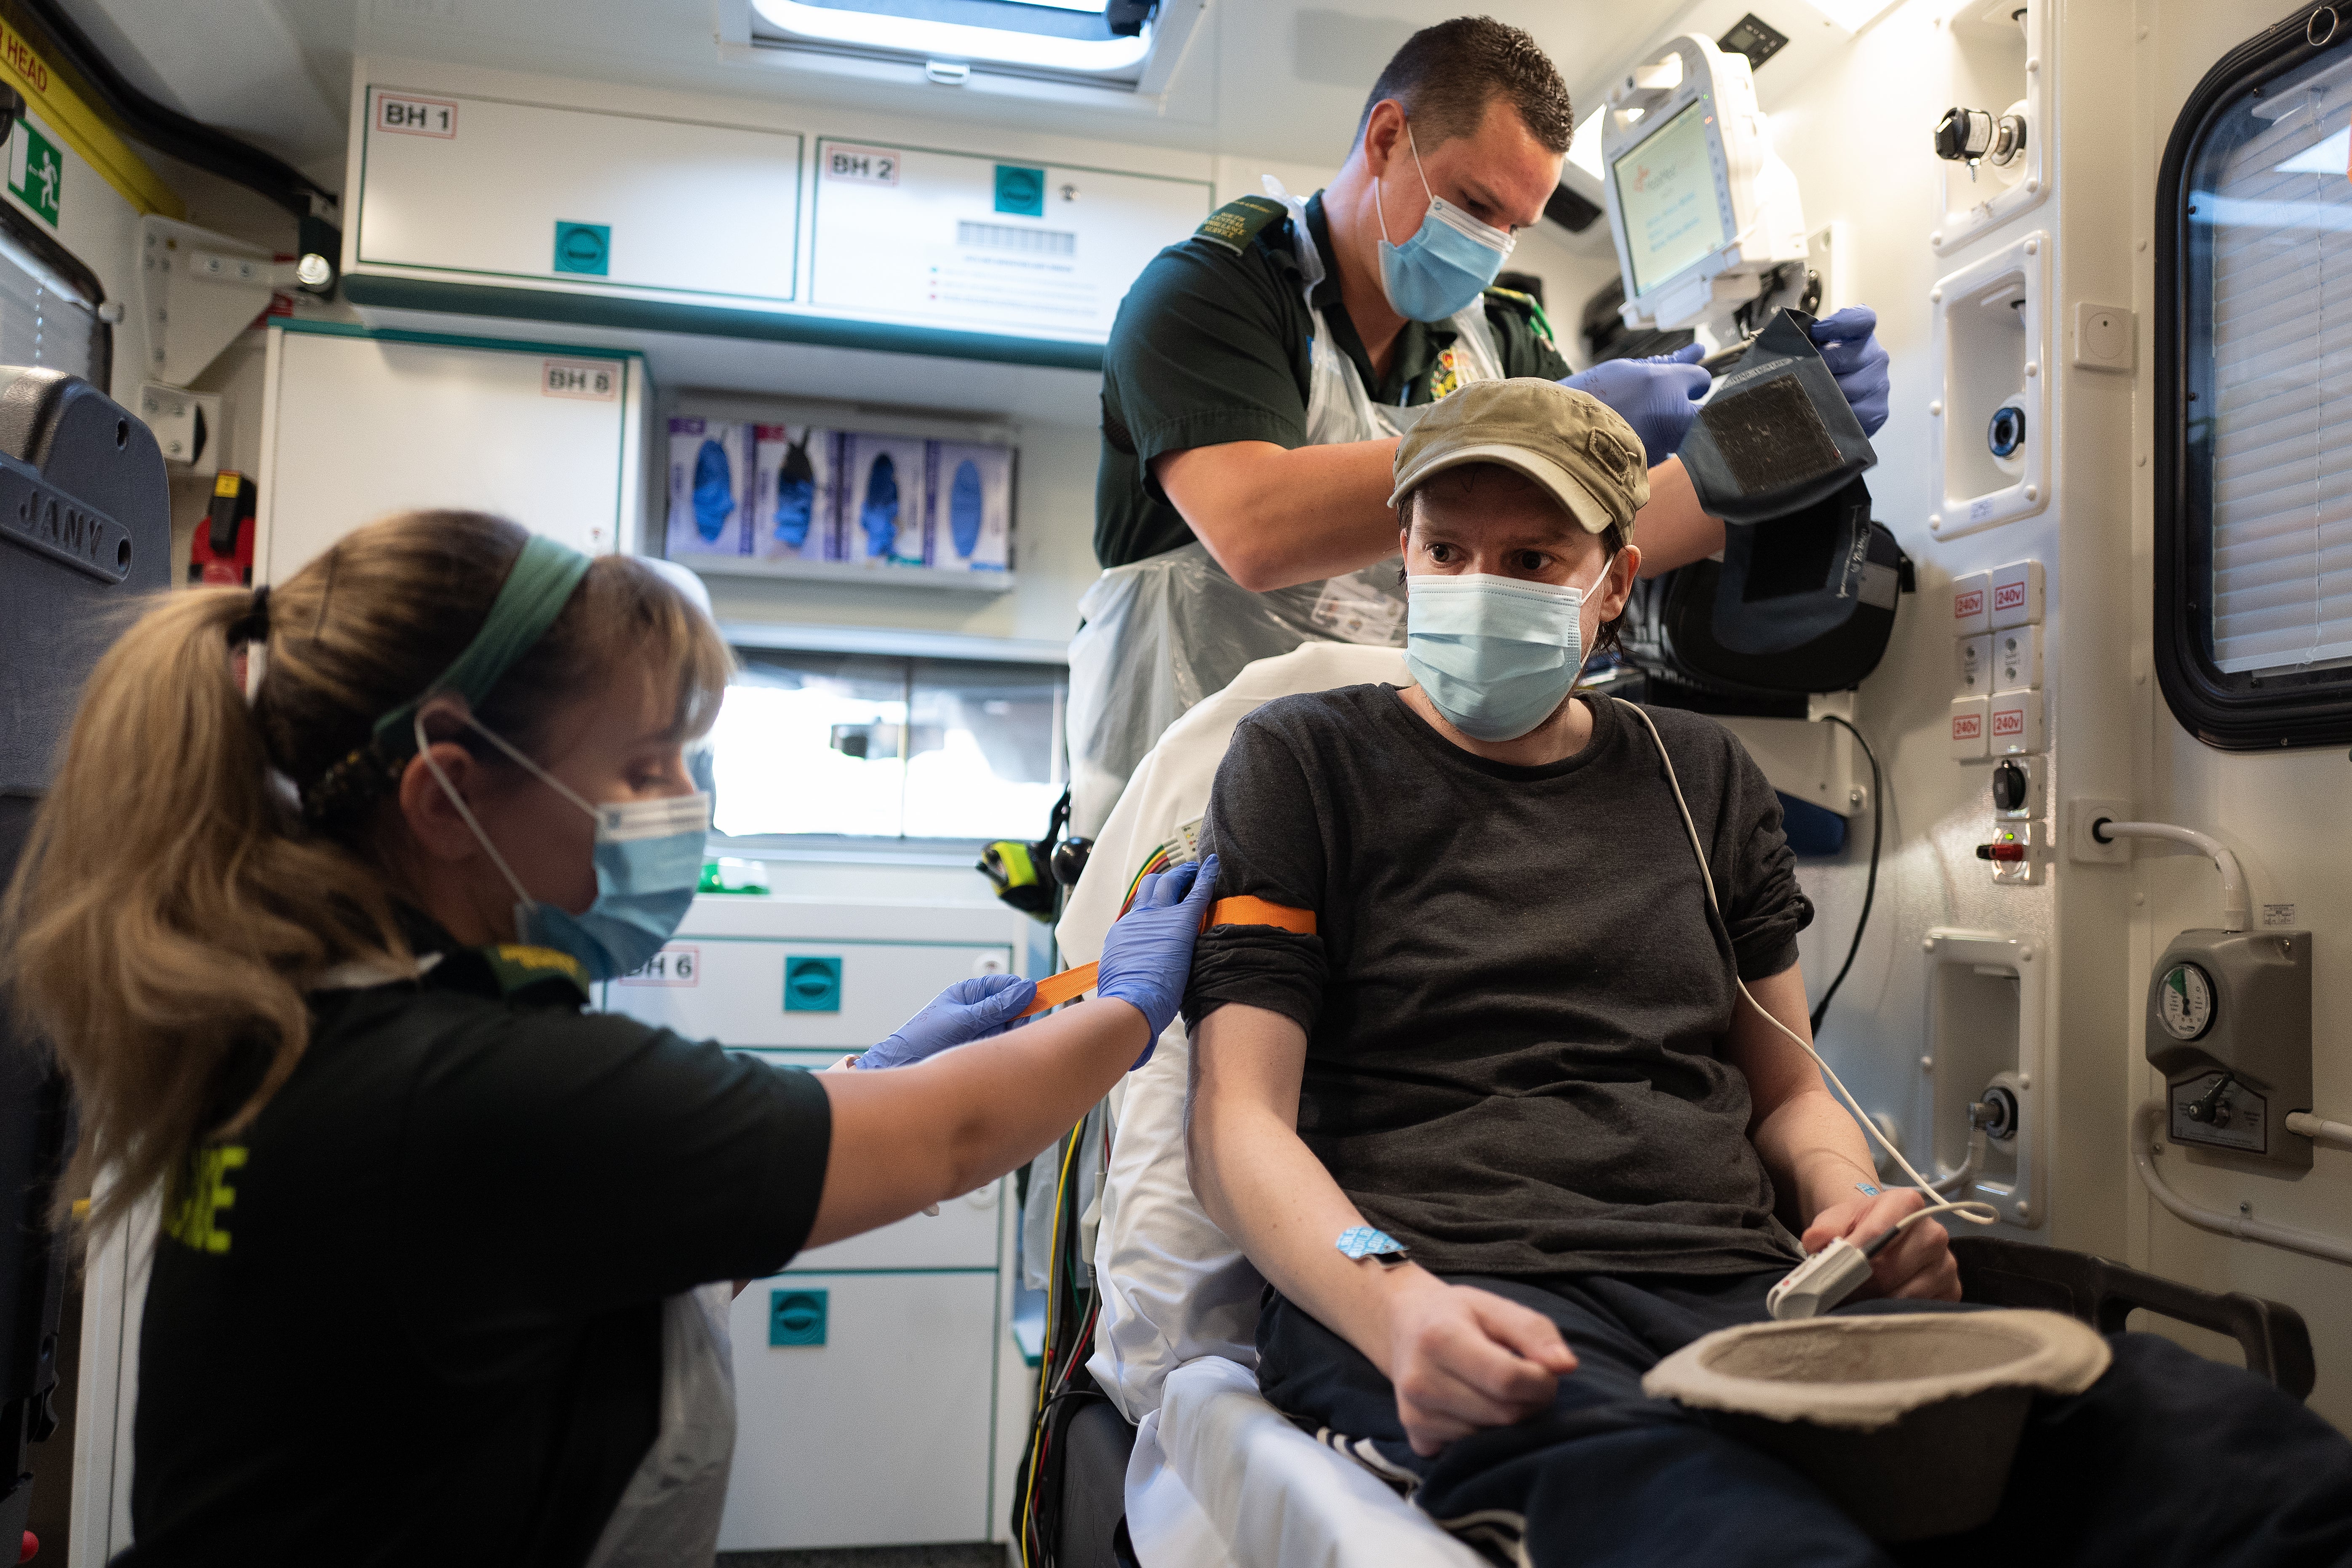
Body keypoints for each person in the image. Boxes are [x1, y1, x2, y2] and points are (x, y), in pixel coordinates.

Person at [1180, 380, 2352, 1565]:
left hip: (1741, 1286)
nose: (1482, 584)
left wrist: (1846, 1211)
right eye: (1448, 549)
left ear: (1614, 584)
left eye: (1533, 559)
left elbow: (1790, 1092)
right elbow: (1236, 1123)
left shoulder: (1700, 775)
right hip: (1463, 1293)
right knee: (1746, 1538)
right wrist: (1394, 1305)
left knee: (2231, 1458)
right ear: (1405, 555)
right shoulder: (1303, 764)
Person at [5, 510, 1220, 1566]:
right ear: (446, 793)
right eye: (640, 766)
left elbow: (620, 1216)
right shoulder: (469, 1081)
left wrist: (867, 1078)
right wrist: (1123, 1009)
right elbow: (953, 1138)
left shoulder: (317, 1027)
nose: (678, 804)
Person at [1070, 14, 1891, 832]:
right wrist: (1545, 424)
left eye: (1514, 227)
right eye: (1474, 204)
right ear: (1389, 136)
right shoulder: (1215, 292)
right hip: (1175, 818)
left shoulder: (1497, 338)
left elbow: (1601, 533)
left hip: (1373, 809)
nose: (1490, 242)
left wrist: (1787, 432)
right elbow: (1257, 532)